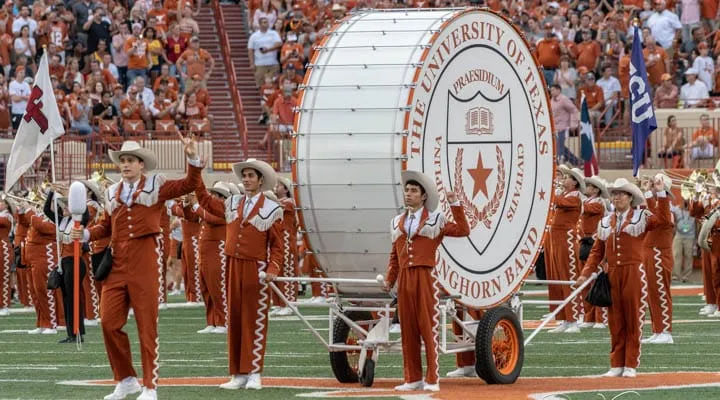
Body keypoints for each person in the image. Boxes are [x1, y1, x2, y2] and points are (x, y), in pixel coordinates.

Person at [70, 134, 204, 400]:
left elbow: (189, 184)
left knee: (146, 324)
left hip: (146, 258)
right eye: (123, 161)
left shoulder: (157, 185)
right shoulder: (111, 192)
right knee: (108, 322)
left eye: (131, 160)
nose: (126, 165)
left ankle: (150, 386)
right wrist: (85, 235)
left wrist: (192, 157)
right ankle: (126, 378)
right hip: (117, 260)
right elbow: (106, 226)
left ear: (142, 164)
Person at [195, 158, 283, 391]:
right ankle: (237, 373)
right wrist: (195, 167)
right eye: (244, 176)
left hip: (256, 268)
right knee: (234, 319)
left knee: (253, 321)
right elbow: (204, 200)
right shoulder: (232, 203)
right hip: (232, 265)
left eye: (251, 176)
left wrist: (272, 268)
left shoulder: (272, 209)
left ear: (260, 180)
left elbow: (277, 246)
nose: (246, 180)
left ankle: (254, 372)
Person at [382, 170, 470, 392]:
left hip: (425, 277)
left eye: (413, 191)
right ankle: (412, 378)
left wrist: (455, 204)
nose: (408, 194)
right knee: (407, 329)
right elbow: (394, 256)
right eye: (407, 190)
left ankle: (432, 378)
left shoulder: (435, 220)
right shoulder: (396, 222)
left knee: (428, 328)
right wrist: (389, 280)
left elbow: (463, 230)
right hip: (404, 278)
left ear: (423, 196)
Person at [577, 176, 670, 378]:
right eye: (614, 194)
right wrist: (585, 274)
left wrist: (661, 193)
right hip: (612, 274)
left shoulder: (641, 216)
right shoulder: (605, 221)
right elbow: (596, 252)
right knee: (615, 320)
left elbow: (663, 221)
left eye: (620, 194)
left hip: (634, 273)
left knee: (633, 318)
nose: (616, 197)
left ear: (630, 197)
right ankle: (616, 363)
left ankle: (630, 364)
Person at [44, 190, 90, 343]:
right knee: (66, 298)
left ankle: (78, 333)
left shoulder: (78, 221)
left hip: (75, 261)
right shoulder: (62, 221)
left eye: (67, 205)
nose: (63, 208)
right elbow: (46, 210)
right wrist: (51, 192)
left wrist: (76, 199)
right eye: (63, 206)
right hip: (64, 262)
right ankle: (71, 333)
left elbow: (86, 214)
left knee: (73, 298)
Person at [545, 165, 584, 333]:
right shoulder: (567, 194)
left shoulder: (575, 198)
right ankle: (563, 318)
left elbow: (556, 201)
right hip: (556, 240)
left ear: (574, 183)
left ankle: (574, 318)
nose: (564, 179)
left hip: (567, 241)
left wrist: (552, 187)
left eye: (568, 177)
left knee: (568, 278)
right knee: (557, 279)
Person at [639, 174, 675, 344]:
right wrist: (647, 192)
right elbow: (652, 213)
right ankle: (658, 329)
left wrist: (660, 193)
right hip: (651, 254)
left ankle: (666, 331)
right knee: (652, 294)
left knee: (661, 293)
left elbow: (662, 218)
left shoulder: (667, 208)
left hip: (659, 255)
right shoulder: (659, 208)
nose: (653, 186)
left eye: (656, 185)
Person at [195, 182, 233, 334]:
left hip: (217, 251)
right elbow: (189, 215)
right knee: (206, 288)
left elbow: (211, 218)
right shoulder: (207, 208)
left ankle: (224, 322)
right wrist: (186, 205)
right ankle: (211, 321)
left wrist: (195, 206)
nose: (212, 197)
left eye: (216, 195)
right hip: (204, 253)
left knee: (218, 288)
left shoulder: (225, 209)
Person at [578, 176, 609, 329]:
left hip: (595, 241)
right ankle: (588, 316)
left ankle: (600, 318)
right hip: (586, 242)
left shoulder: (598, 204)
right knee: (586, 282)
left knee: (597, 281)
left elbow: (585, 209)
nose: (587, 188)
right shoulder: (589, 201)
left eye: (590, 186)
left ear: (596, 190)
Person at [270, 176, 298, 316]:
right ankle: (279, 302)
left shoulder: (289, 203)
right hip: (279, 239)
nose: (275, 187)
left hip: (286, 239)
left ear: (286, 189)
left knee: (287, 271)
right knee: (277, 271)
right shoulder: (278, 202)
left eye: (278, 185)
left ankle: (290, 303)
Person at [0, 195, 17, 316]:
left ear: (7, 205)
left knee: (4, 278)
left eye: (1, 202)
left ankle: (5, 305)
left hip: (4, 249)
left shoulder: (8, 217)